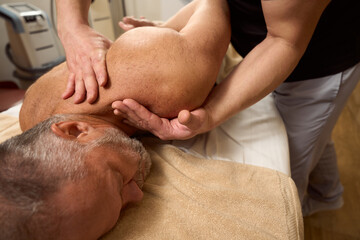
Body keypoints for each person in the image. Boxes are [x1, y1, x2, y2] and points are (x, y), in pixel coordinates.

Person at [0, 0, 231, 239]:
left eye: (119, 180)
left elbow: (214, 4)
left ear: (76, 130)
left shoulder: (171, 82)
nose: (137, 196)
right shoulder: (29, 115)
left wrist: (167, 31)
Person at [111, 0, 360, 217]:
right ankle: (329, 193)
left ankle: (320, 201)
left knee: (294, 159)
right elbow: (215, 3)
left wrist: (210, 115)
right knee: (317, 135)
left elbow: (285, 40)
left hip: (317, 64)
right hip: (274, 43)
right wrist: (168, 30)